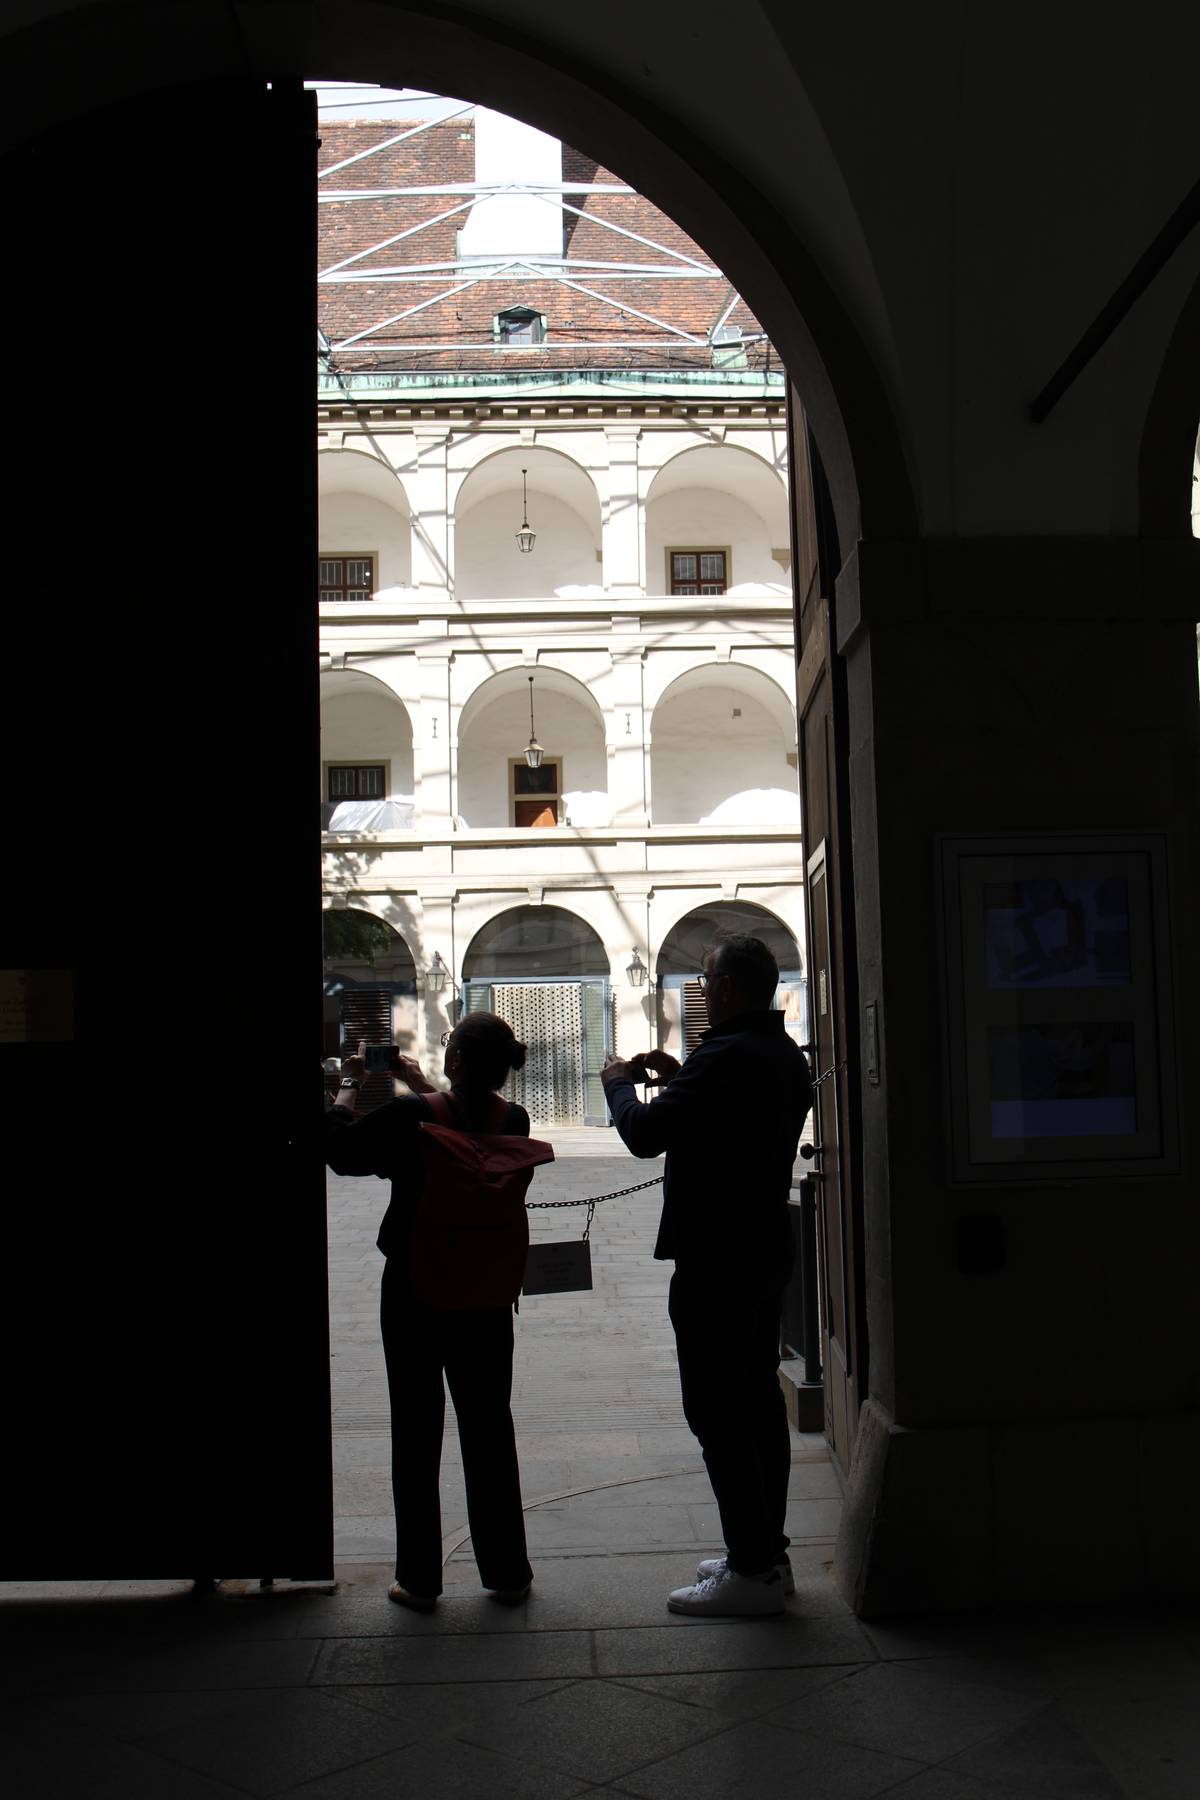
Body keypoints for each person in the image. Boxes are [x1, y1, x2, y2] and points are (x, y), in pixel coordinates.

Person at [600, 933, 812, 1617]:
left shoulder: (724, 1055)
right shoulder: (778, 1052)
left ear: (725, 988)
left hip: (716, 1258)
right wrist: (682, 1078)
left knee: (718, 1410)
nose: (700, 987)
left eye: (705, 977)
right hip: (761, 1249)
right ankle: (766, 1554)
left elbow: (643, 1134)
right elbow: (727, 1117)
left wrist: (616, 1084)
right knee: (757, 1404)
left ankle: (750, 1570)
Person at [325, 1014, 538, 1611]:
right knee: (489, 1426)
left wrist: (348, 1086)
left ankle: (419, 1578)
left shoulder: (409, 1117)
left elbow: (341, 1151)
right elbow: (461, 1123)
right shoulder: (514, 1120)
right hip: (488, 1292)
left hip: (416, 1290)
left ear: (459, 1058)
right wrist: (421, 1084)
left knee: (416, 1429)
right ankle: (506, 1571)